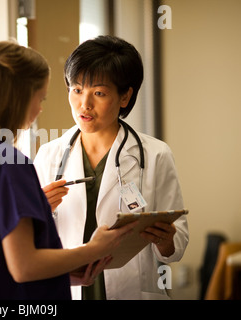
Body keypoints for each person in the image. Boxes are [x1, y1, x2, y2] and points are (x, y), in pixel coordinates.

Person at [0, 40, 137, 300]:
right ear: (20, 96)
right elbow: (24, 267)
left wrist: (66, 273)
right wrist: (94, 249)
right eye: (39, 97)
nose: (40, 108)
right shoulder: (8, 163)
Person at [34, 35, 189, 300]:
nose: (85, 104)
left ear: (125, 96)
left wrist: (165, 240)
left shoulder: (155, 155)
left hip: (131, 291)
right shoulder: (49, 156)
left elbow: (177, 244)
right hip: (68, 289)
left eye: (99, 93)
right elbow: (28, 245)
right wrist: (40, 213)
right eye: (77, 89)